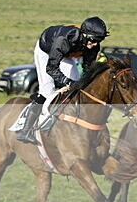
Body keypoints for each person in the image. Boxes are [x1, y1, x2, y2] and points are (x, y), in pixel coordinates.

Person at [17, 16, 110, 144]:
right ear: (84, 34)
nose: (94, 44)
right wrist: (67, 81)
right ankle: (25, 130)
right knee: (48, 91)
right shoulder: (65, 39)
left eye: (99, 41)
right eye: (93, 40)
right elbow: (51, 68)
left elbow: (87, 68)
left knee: (76, 89)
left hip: (68, 54)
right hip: (46, 51)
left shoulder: (93, 45)